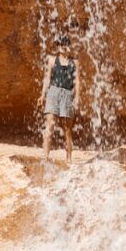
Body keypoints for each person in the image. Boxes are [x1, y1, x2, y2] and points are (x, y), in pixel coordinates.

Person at [40, 34, 80, 163]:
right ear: (58, 46)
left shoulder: (75, 62)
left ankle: (69, 159)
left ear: (69, 46)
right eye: (61, 44)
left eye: (66, 43)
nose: (63, 46)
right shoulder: (52, 60)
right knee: (50, 124)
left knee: (67, 129)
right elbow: (47, 78)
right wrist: (42, 95)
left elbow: (77, 81)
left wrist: (77, 98)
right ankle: (45, 157)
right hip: (53, 92)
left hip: (67, 94)